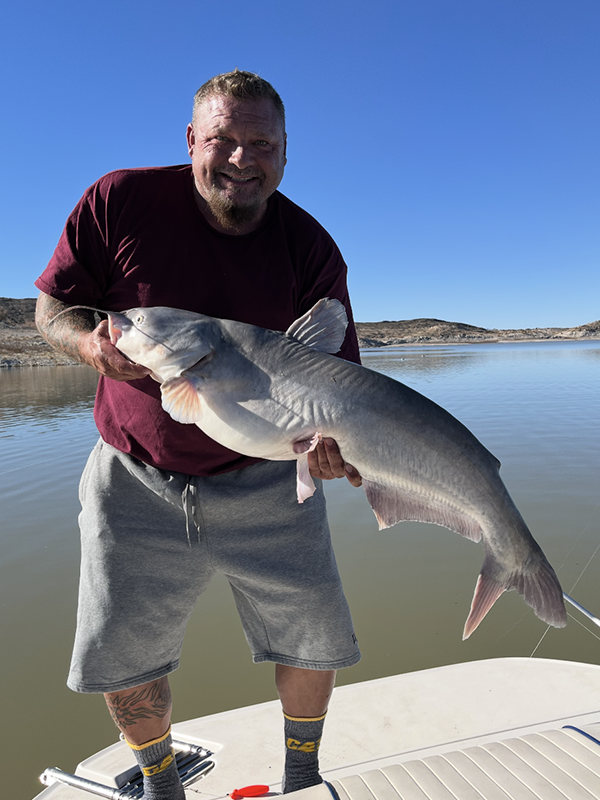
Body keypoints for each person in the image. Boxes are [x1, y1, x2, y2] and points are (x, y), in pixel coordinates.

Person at [36, 70, 362, 799]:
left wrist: (336, 450)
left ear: (286, 152)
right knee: (125, 654)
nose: (242, 160)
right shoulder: (120, 201)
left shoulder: (310, 246)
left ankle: (302, 777)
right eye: (223, 140)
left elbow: (340, 381)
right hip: (135, 475)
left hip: (270, 476)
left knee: (316, 635)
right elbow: (53, 310)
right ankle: (161, 785)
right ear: (191, 140)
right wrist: (89, 345)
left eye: (262, 144)